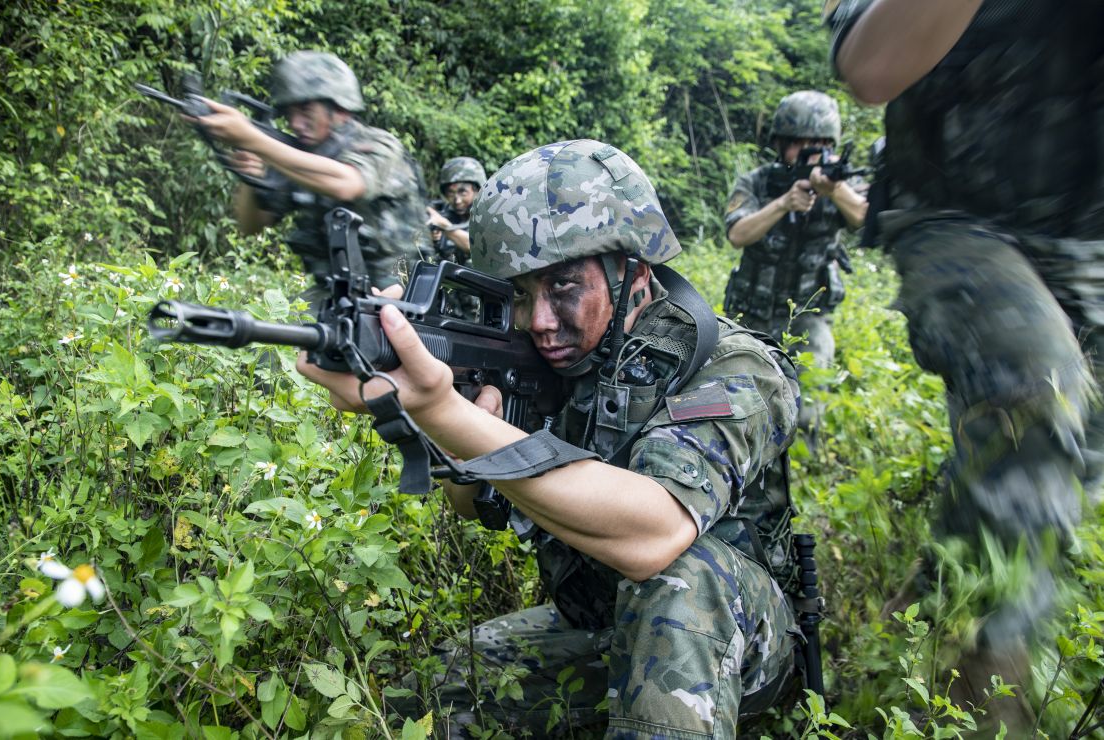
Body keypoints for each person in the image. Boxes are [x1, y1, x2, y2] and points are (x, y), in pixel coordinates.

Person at [298, 139, 805, 735]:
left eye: (564, 287)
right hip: (600, 620)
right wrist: (444, 414)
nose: (539, 322)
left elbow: (654, 534)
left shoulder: (734, 367)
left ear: (632, 273)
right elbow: (474, 505)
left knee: (680, 580)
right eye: (519, 294)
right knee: (436, 696)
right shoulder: (557, 363)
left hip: (735, 640)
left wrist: (447, 414)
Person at [826, 0, 1104, 726]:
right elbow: (871, 67)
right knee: (1040, 397)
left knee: (1066, 477)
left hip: (1088, 238)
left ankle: (910, 625)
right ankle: (975, 689)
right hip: (958, 214)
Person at [193, 50, 428, 294]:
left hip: (406, 288)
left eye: (306, 110)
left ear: (339, 108)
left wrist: (253, 139)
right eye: (289, 113)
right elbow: (251, 225)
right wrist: (251, 178)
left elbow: (347, 183)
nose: (295, 123)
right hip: (337, 291)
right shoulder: (297, 158)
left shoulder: (379, 144)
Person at [723, 91, 867, 433]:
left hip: (809, 316)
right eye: (800, 143)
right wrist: (783, 203)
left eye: (819, 143)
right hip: (751, 311)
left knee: (807, 407)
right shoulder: (757, 181)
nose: (811, 151)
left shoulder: (842, 185)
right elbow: (737, 234)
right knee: (735, 400)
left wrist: (833, 190)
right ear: (781, 143)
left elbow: (866, 218)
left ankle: (801, 464)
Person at [426, 156, 487, 263]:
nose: (457, 200)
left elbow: (480, 249)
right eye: (451, 193)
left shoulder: (491, 216)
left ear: (477, 191)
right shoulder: (444, 213)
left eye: (463, 192)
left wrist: (445, 227)